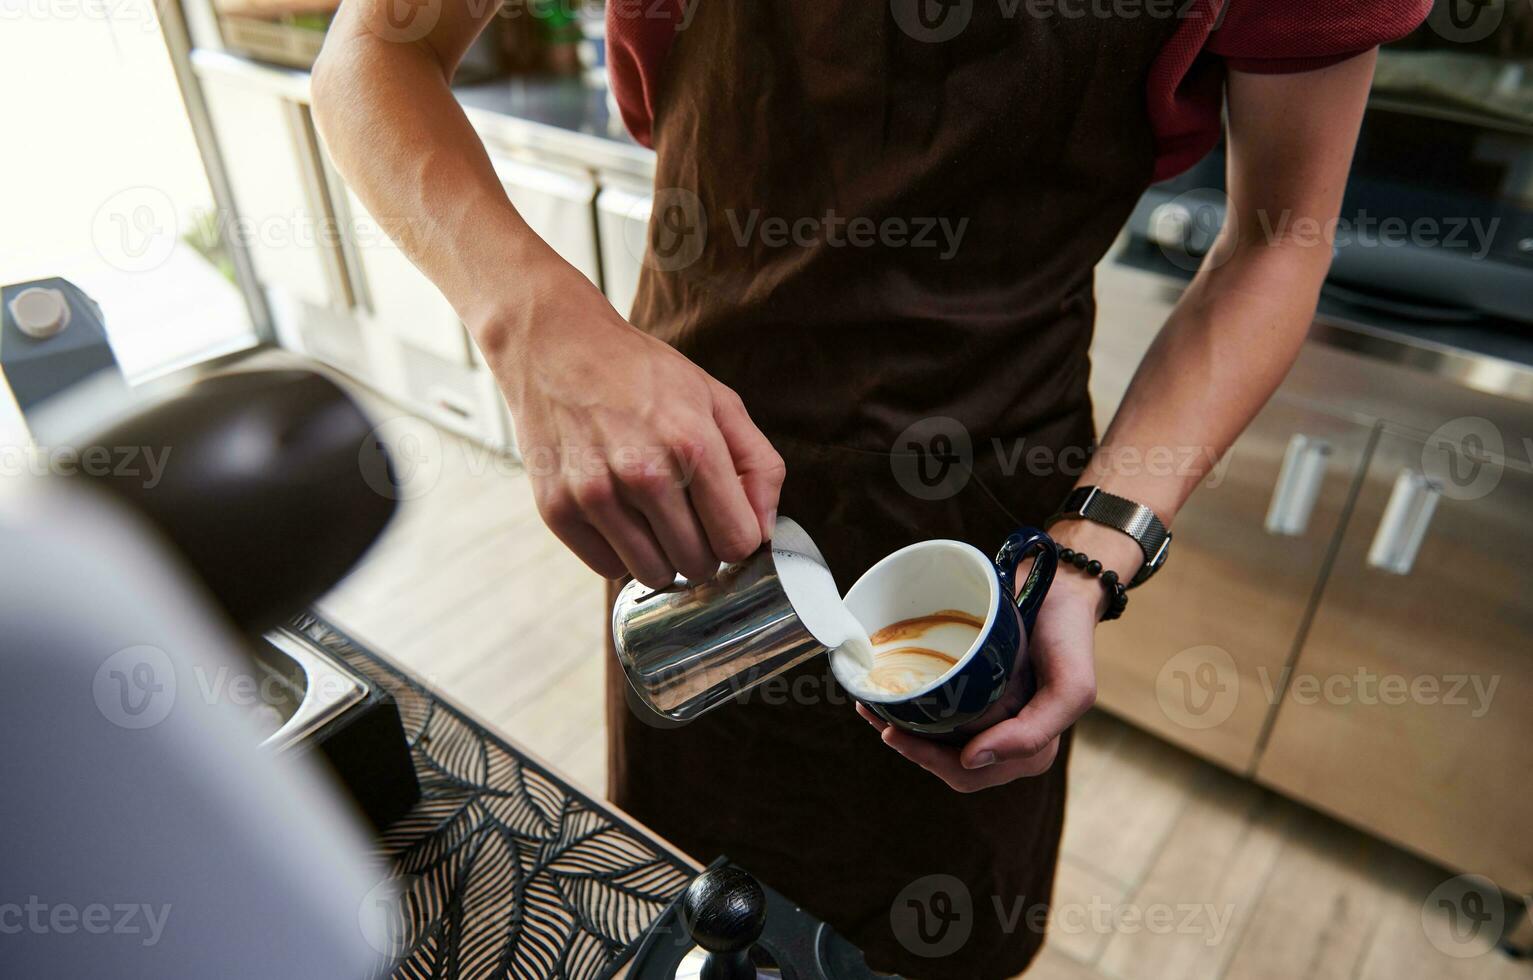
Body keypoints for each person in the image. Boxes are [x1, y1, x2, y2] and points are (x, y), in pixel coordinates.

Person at [313, 2, 1431, 975]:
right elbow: (371, 56)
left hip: (990, 511)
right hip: (697, 490)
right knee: (699, 902)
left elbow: (1280, 236)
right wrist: (537, 321)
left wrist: (1096, 546)